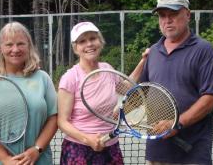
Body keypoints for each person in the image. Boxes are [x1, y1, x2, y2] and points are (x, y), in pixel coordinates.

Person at [141, 0, 213, 165]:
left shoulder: (203, 50)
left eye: (173, 14)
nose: (167, 20)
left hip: (192, 152)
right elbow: (141, 92)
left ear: (187, 15)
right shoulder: (153, 52)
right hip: (158, 150)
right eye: (162, 15)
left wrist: (176, 124)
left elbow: (211, 97)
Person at [57, 21, 148, 165]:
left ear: (100, 41)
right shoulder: (70, 78)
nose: (89, 44)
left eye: (93, 38)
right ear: (76, 48)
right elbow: (62, 121)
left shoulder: (107, 69)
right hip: (78, 148)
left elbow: (125, 88)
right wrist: (87, 139)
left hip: (110, 146)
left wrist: (143, 61)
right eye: (82, 41)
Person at [0, 21, 58, 165]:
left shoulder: (42, 78)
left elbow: (53, 118)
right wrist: (5, 159)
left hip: (38, 160)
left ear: (29, 46)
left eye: (21, 44)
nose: (15, 49)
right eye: (9, 44)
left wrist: (37, 150)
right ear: (0, 48)